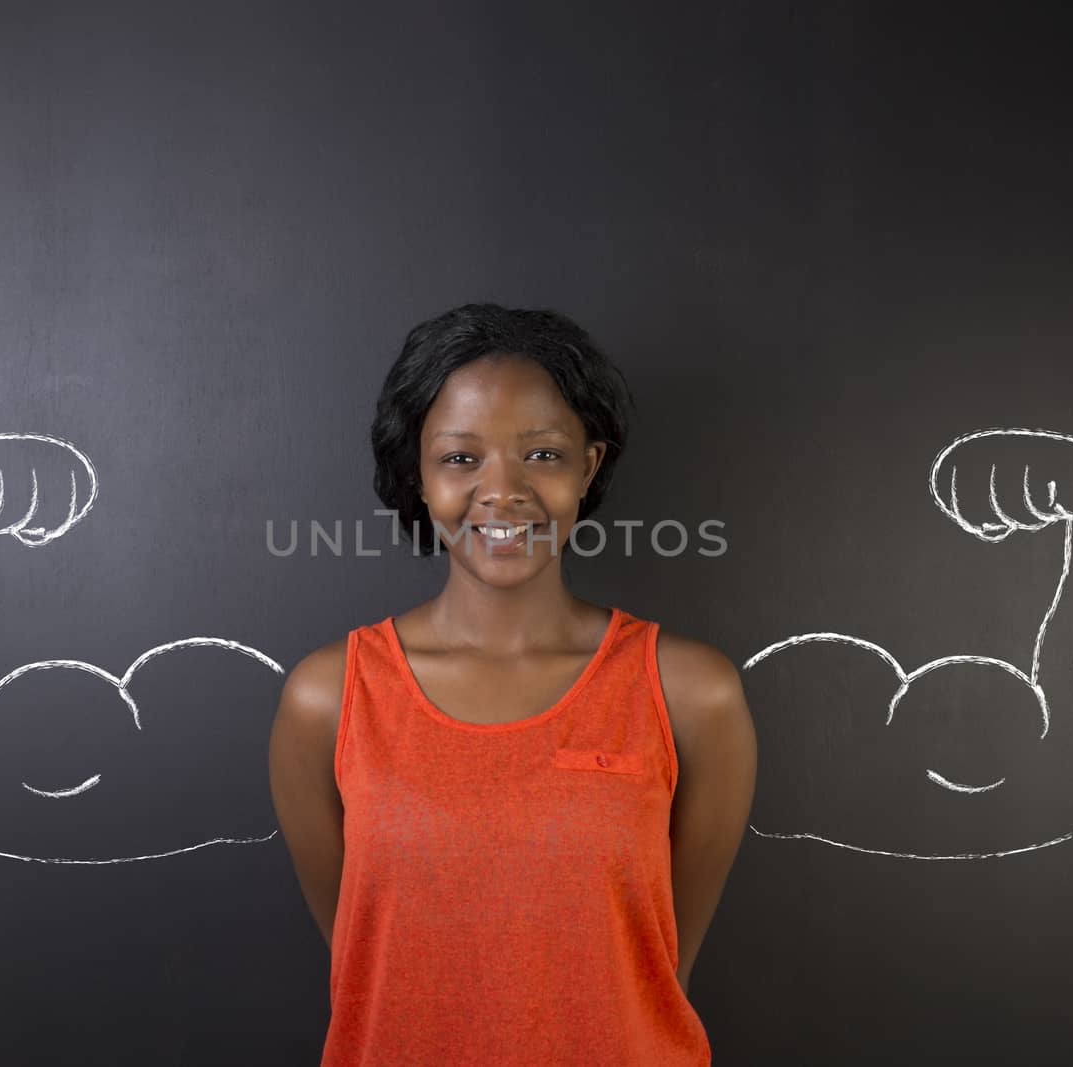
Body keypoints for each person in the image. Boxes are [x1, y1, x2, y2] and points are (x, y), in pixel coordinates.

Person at [268, 303, 757, 1066]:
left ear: (588, 468)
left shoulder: (691, 695)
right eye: (461, 458)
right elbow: (362, 952)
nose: (503, 491)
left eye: (543, 455)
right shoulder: (328, 698)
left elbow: (660, 967)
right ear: (417, 476)